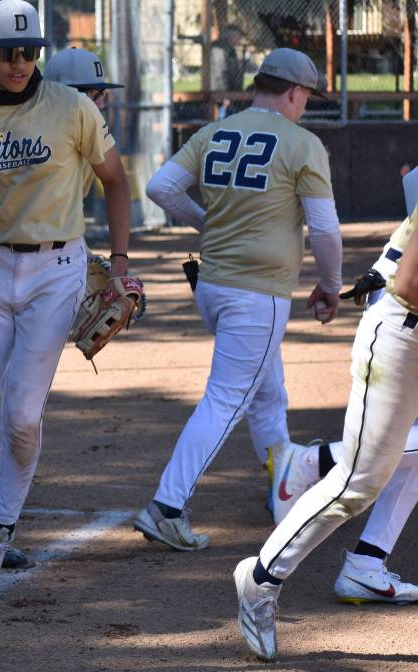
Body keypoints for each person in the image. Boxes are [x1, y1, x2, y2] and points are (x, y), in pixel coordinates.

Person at [0, 0, 132, 597]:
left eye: (30, 51)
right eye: (8, 52)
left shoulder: (73, 109)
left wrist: (119, 264)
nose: (19, 62)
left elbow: (115, 181)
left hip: (57, 269)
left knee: (21, 414)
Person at [134, 48, 343, 551]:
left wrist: (209, 223)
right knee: (227, 399)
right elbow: (326, 230)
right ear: (294, 92)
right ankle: (166, 506)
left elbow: (161, 188)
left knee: (267, 392)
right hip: (257, 294)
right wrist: (332, 285)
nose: (305, 106)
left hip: (214, 287)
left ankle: (282, 490)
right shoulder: (302, 142)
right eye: (307, 97)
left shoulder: (214, 131)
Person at [235, 203, 418, 660]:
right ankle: (260, 580)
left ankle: (366, 561)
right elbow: (412, 282)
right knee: (358, 483)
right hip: (401, 332)